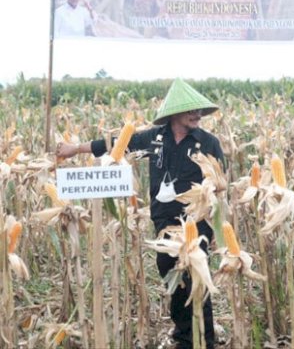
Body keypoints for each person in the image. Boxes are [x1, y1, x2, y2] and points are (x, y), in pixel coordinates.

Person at [56, 78, 223, 349]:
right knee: (172, 276)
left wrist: (210, 203)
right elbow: (112, 145)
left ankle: (205, 339)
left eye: (200, 111)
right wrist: (75, 149)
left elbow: (219, 181)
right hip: (164, 222)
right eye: (192, 110)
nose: (197, 115)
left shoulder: (208, 142)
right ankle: (184, 335)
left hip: (196, 221)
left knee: (197, 276)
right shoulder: (153, 138)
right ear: (175, 114)